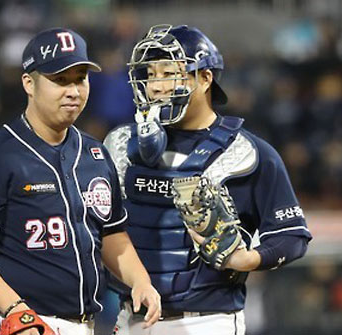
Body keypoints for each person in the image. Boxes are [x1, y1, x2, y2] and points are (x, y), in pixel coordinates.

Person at [0, 28, 161, 335]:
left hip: (82, 323)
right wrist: (15, 311)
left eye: (80, 78)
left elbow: (112, 233)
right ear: (28, 84)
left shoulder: (95, 154)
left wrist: (140, 280)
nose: (73, 90)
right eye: (60, 80)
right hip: (16, 321)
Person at [104, 24, 312, 335]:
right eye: (149, 74)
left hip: (207, 320)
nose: (155, 85)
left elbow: (292, 237)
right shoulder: (119, 145)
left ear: (204, 78)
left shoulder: (247, 154)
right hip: (130, 316)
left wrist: (246, 259)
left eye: (168, 73)